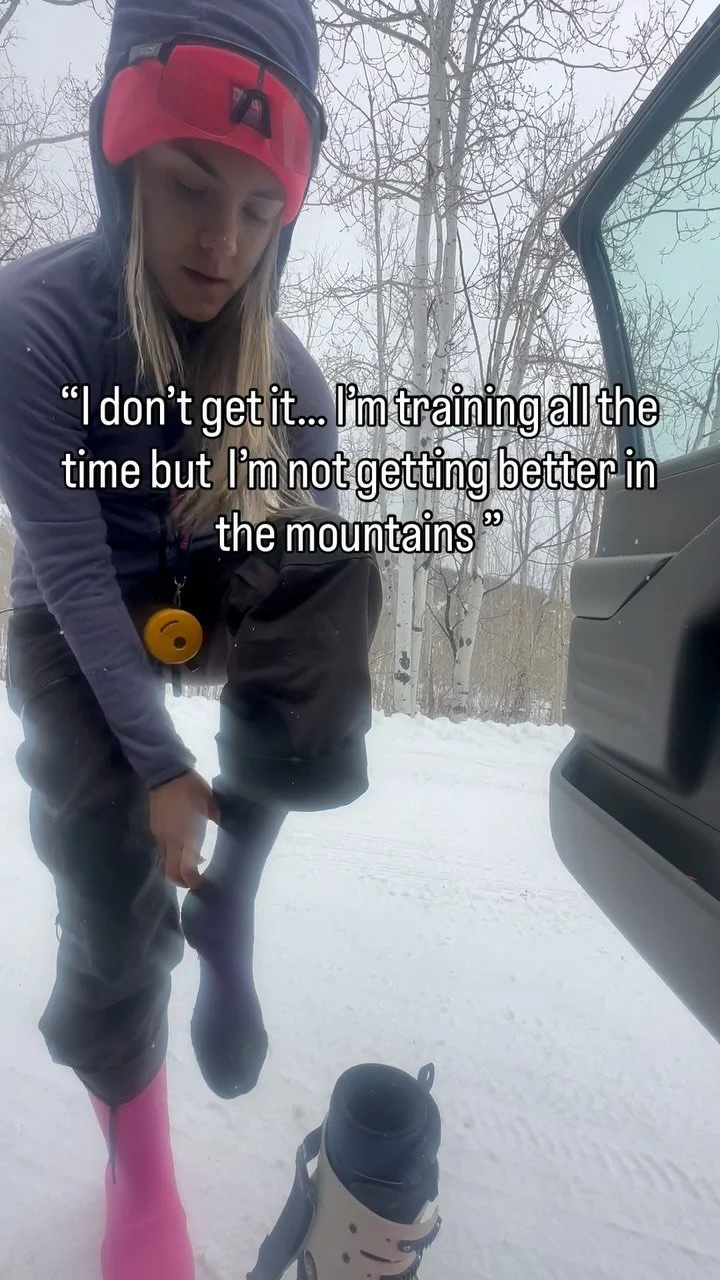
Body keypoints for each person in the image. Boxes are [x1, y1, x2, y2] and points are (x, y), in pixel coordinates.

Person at [0, 3, 382, 1278]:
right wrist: (159, 767)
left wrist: (218, 801)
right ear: (122, 161)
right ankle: (142, 1164)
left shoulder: (291, 385)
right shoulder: (33, 324)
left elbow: (299, 594)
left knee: (332, 556)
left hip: (197, 595)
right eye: (188, 187)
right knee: (103, 858)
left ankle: (229, 906)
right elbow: (64, 568)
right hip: (76, 613)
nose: (223, 243)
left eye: (261, 210)